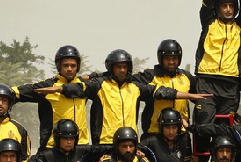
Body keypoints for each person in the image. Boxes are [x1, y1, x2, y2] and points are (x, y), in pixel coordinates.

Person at [36, 49, 209, 145]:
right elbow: (78, 87)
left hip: (129, 142)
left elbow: (162, 91)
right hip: (105, 143)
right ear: (111, 68)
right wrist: (58, 89)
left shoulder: (135, 87)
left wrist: (189, 95)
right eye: (118, 67)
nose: (121, 70)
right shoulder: (100, 85)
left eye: (124, 67)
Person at [0, 45, 91, 151]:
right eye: (65, 65)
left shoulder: (84, 86)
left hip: (81, 145)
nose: (69, 69)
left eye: (73, 65)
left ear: (78, 66)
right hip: (52, 147)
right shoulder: (47, 86)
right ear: (58, 65)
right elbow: (20, 91)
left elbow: (102, 79)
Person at [136, 39, 196, 141]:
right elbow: (129, 83)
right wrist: (157, 91)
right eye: (167, 58)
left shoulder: (186, 76)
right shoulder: (150, 76)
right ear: (160, 58)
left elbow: (198, 98)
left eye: (174, 58)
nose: (171, 62)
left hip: (181, 135)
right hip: (154, 134)